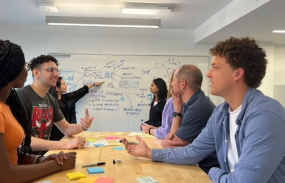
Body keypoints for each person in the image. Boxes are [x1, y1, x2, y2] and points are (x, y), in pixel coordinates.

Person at [122, 37, 285, 183]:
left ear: (237, 74)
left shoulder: (265, 117)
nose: (208, 74)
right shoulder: (222, 112)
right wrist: (149, 153)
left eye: (215, 67)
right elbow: (193, 152)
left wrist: (214, 172)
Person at [0, 39, 76, 182]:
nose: (26, 70)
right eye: (24, 65)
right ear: (10, 70)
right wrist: (57, 166)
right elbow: (4, 176)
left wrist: (41, 159)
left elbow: (11, 156)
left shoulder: (4, 105)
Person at [141, 65, 219, 174]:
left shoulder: (198, 107)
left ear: (182, 84)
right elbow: (172, 139)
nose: (171, 84)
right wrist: (177, 109)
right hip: (197, 165)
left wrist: (159, 146)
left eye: (173, 80)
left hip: (205, 171)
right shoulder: (190, 103)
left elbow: (172, 144)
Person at [17, 55, 94, 153]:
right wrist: (65, 144)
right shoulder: (21, 96)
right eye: (50, 70)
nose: (56, 74)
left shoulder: (51, 100)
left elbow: (66, 128)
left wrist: (83, 126)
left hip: (45, 157)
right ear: (36, 72)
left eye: (57, 71)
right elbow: (21, 140)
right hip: (26, 162)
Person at [48, 76, 104, 140]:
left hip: (69, 132)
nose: (66, 86)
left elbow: (79, 92)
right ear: (57, 88)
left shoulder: (67, 98)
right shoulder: (50, 103)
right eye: (63, 84)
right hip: (55, 136)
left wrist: (93, 84)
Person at [141, 70, 177, 139]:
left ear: (159, 87)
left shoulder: (165, 102)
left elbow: (164, 122)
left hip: (159, 133)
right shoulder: (154, 101)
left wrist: (150, 127)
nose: (150, 87)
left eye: (152, 85)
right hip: (152, 132)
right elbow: (152, 119)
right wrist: (145, 124)